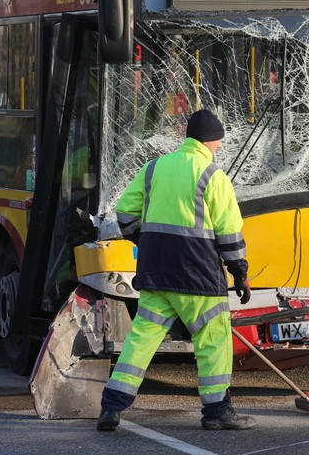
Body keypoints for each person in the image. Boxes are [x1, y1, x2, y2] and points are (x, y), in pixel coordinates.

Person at [97, 109, 255, 432]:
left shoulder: (154, 169)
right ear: (212, 142)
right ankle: (216, 411)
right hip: (199, 279)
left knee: (140, 340)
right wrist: (240, 274)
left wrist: (146, 240)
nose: (219, 149)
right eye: (219, 144)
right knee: (213, 339)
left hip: (157, 273)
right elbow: (230, 235)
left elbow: (125, 213)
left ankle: (111, 407)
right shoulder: (214, 177)